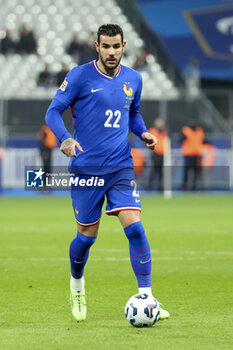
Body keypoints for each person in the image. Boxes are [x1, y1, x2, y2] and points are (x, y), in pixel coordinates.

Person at [45, 24, 170, 322]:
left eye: (116, 46)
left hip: (120, 167)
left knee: (136, 228)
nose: (111, 52)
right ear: (97, 46)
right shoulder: (79, 76)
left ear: (124, 45)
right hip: (86, 170)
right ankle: (77, 283)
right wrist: (65, 138)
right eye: (106, 46)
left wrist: (144, 134)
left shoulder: (134, 79)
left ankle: (148, 298)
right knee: (86, 238)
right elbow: (52, 111)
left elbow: (133, 113)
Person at [180, 120, 206, 191]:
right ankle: (184, 186)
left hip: (196, 154)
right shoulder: (186, 130)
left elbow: (203, 140)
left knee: (196, 171)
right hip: (188, 154)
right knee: (187, 170)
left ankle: (194, 186)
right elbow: (181, 139)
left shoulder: (199, 131)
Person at [148, 118, 168, 191]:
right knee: (153, 171)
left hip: (162, 154)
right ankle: (150, 187)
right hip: (155, 153)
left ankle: (160, 187)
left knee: (160, 172)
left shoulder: (164, 132)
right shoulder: (152, 131)